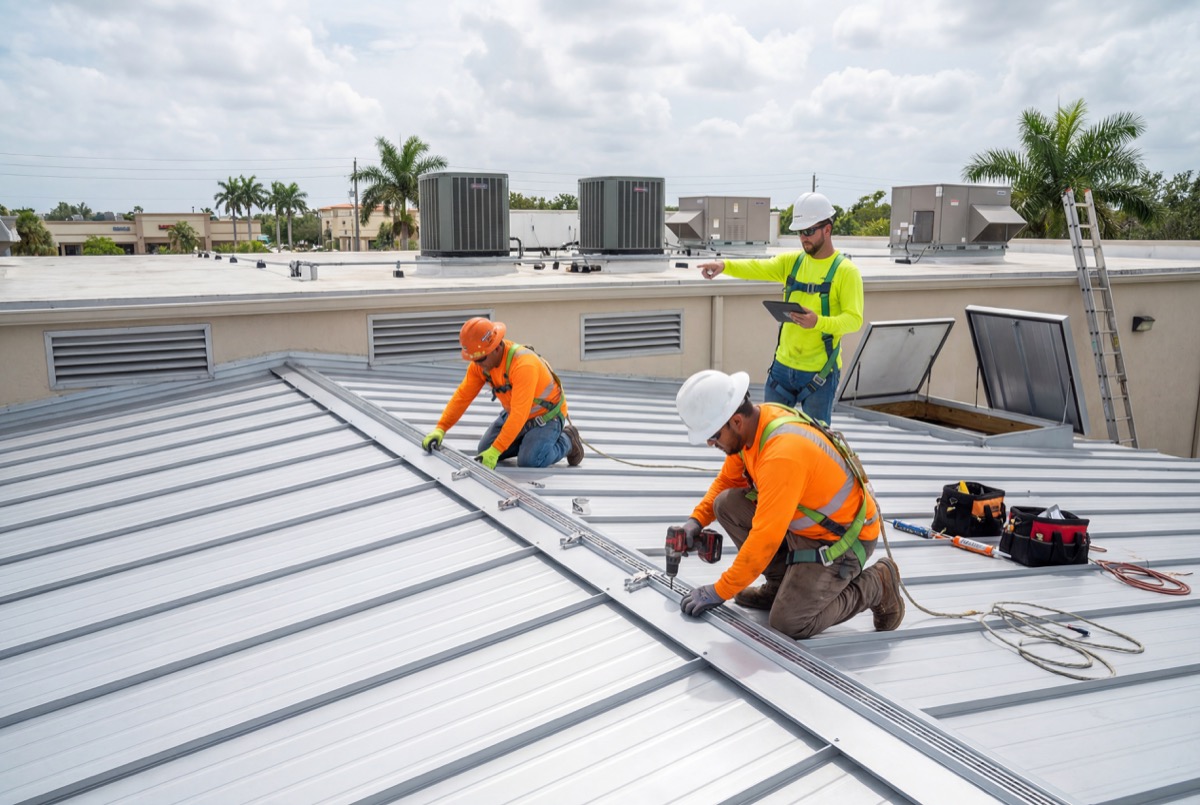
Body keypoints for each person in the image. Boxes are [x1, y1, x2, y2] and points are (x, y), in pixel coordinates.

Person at [672, 369, 903, 639]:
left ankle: (878, 584)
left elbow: (764, 540)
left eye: (713, 436)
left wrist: (720, 590)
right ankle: (781, 583)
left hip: (842, 540)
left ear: (735, 421)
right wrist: (696, 521)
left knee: (790, 622)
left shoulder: (782, 454)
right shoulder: (753, 427)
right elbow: (726, 483)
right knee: (726, 504)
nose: (711, 443)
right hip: (806, 525)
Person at [696, 191, 864, 425]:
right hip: (782, 370)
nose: (803, 238)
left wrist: (819, 322)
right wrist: (723, 265)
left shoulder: (846, 272)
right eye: (799, 232)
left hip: (820, 373)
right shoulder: (792, 263)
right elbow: (757, 267)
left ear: (828, 229)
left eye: (809, 231)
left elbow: (854, 320)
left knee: (812, 445)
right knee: (769, 434)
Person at [422, 317, 584, 469]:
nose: (477, 364)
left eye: (480, 359)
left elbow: (520, 414)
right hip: (515, 413)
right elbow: (462, 397)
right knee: (484, 449)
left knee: (530, 460)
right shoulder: (481, 365)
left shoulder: (524, 365)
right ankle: (528, 441)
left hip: (546, 417)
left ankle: (568, 439)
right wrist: (441, 428)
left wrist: (498, 448)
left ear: (496, 347)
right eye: (474, 360)